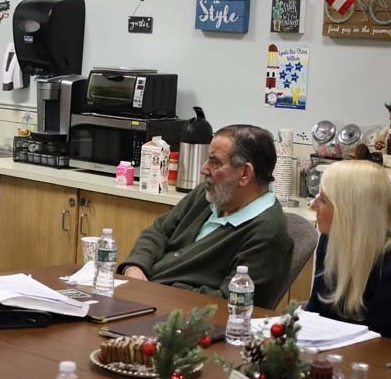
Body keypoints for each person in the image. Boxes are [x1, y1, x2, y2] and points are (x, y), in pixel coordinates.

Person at [118, 124, 293, 309]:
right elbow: (158, 231)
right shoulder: (209, 195)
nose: (204, 169)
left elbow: (229, 303)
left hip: (181, 321)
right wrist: (135, 268)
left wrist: (156, 291)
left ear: (245, 173)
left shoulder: (268, 233)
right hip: (143, 296)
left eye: (215, 162)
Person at [306, 160, 391, 344]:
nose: (312, 205)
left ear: (348, 212)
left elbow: (372, 345)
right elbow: (315, 310)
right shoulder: (330, 239)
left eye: (323, 200)